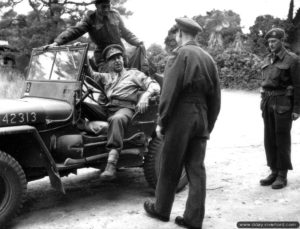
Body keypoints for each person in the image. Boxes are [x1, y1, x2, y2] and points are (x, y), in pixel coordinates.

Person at [143, 17, 221, 229]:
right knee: (196, 169)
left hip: (180, 117)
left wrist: (162, 121)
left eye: (176, 34)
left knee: (170, 164)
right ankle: (193, 219)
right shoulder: (208, 59)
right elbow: (216, 98)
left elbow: (169, 93)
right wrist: (208, 124)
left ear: (180, 34)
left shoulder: (179, 54)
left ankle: (161, 210)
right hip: (202, 117)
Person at [86, 44, 160, 180]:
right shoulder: (106, 77)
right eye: (113, 58)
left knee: (116, 119)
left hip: (125, 109)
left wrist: (145, 95)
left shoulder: (134, 74)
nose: (117, 60)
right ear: (108, 63)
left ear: (123, 59)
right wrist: (83, 57)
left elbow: (155, 85)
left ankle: (111, 163)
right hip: (107, 109)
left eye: (119, 57)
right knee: (83, 106)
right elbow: (89, 73)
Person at [49, 0, 143, 71]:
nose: (106, 9)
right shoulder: (90, 18)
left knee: (126, 78)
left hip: (119, 53)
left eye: (108, 6)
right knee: (107, 80)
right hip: (103, 55)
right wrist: (57, 42)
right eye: (103, 7)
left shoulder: (115, 15)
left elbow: (125, 32)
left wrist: (137, 41)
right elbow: (75, 30)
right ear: (97, 6)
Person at [259, 28, 300, 189]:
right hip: (268, 102)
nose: (271, 44)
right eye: (269, 41)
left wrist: (297, 108)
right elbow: (265, 81)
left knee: (281, 138)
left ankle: (282, 175)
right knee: (269, 138)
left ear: (281, 41)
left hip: (283, 102)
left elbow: (298, 85)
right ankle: (273, 170)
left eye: (274, 41)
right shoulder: (268, 59)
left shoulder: (292, 59)